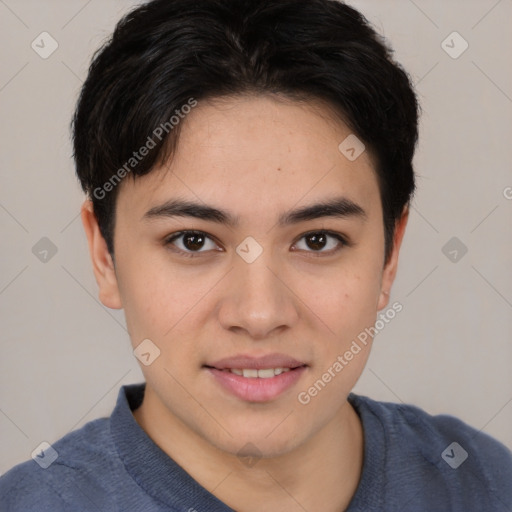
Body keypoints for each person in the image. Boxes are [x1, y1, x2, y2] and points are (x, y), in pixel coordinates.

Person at [1, 0, 511, 510]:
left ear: (390, 254)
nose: (260, 314)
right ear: (104, 254)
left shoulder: (485, 485)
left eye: (318, 240)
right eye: (193, 241)